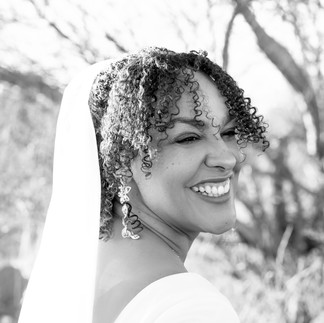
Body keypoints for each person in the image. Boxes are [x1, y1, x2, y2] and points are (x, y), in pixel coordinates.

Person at [18, 47, 268, 323]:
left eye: (229, 132)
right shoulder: (191, 309)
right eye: (188, 138)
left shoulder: (68, 285)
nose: (227, 158)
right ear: (123, 160)